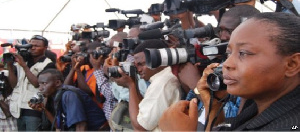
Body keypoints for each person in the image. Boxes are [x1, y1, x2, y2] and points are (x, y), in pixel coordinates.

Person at [159, 12, 300, 131]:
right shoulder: (257, 106)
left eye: (243, 53)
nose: (227, 64)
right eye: (228, 54)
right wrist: (214, 108)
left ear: (292, 64)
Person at [112, 39, 182, 131]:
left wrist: (131, 85)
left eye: (141, 64)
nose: (138, 69)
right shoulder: (163, 77)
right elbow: (142, 111)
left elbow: (140, 126)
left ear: (159, 59)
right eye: (136, 65)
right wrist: (133, 83)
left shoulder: (162, 83)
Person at [31, 68, 107, 131]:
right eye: (39, 84)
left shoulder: (69, 95)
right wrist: (44, 109)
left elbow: (81, 126)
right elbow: (59, 125)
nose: (40, 88)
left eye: (44, 83)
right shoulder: (56, 95)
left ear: (57, 83)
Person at [7, 35, 56, 131]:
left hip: (34, 109)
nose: (33, 48)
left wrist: (25, 66)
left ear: (45, 48)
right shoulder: (22, 61)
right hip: (18, 108)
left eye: (37, 46)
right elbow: (14, 85)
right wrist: (9, 66)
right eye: (30, 45)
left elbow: (37, 84)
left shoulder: (48, 64)